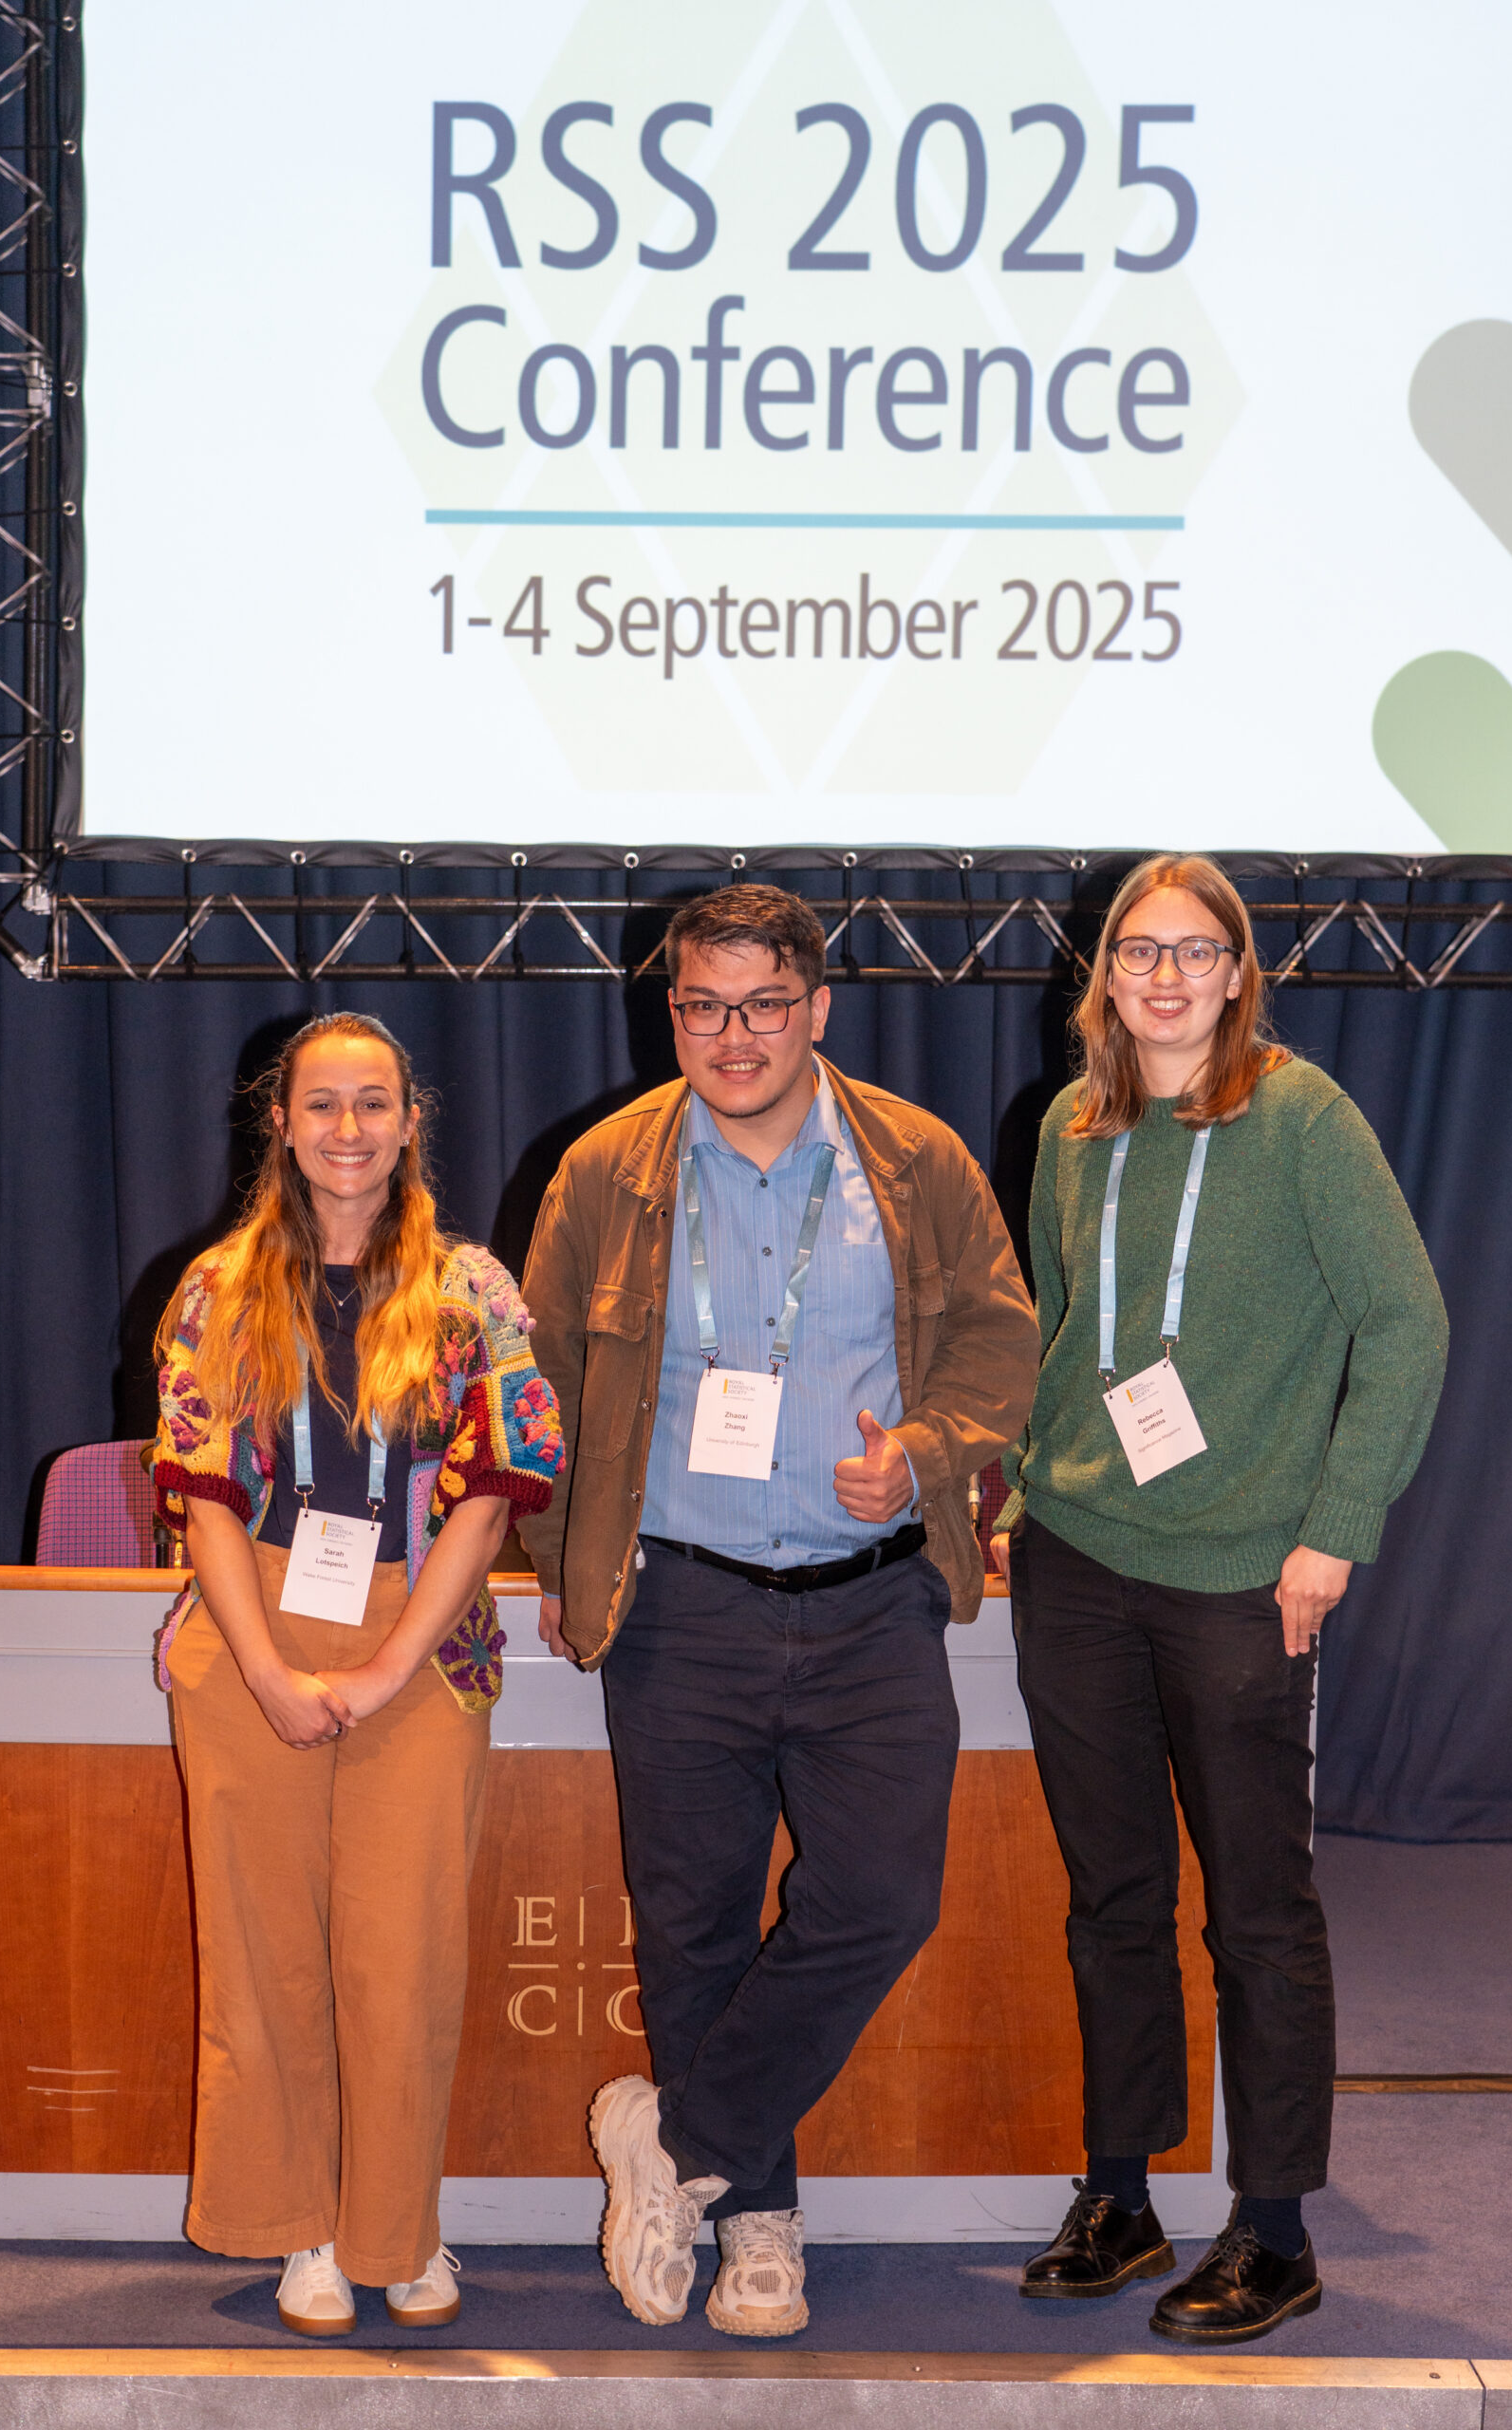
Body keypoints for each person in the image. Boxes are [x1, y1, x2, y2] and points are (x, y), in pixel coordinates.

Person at [518, 884, 1039, 2340]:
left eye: (761, 1005)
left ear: (818, 1007)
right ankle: (757, 2224)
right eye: (701, 1006)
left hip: (869, 1609)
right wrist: (567, 1560)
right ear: (668, 1008)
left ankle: (675, 2148)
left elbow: (1003, 1339)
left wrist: (926, 1454)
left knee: (880, 1899)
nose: (731, 1036)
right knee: (692, 1928)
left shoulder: (912, 1160)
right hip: (679, 1605)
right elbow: (540, 1388)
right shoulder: (607, 1171)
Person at [997, 854, 1447, 2344]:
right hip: (1076, 1558)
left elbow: (1406, 1322)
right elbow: (1067, 1327)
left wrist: (1336, 1528)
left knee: (1258, 1913)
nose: (1170, 978)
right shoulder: (1071, 1124)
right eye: (1142, 952)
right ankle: (1121, 2194)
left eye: (1200, 952)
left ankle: (1274, 2229)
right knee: (1110, 1898)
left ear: (1241, 973)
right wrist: (1015, 1486)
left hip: (1247, 1576)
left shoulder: (1303, 1117)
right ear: (1106, 974)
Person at [152, 1012, 562, 2338]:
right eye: (321, 1107)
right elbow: (201, 1493)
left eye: (371, 1106)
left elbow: (495, 1497)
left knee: (404, 1959)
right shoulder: (216, 1290)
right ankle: (301, 2230)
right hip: (251, 1635)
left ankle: (401, 2230)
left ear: (408, 1123)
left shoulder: (474, 1293)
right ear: (281, 1123)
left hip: (424, 1645)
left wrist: (388, 1668)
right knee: (266, 1962)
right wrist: (266, 1668)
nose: (346, 1131)